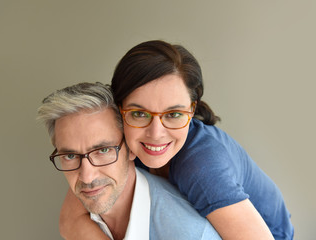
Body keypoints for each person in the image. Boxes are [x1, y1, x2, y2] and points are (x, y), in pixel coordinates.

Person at [60, 40, 294, 240]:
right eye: (139, 113)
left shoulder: (202, 169)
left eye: (173, 114)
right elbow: (70, 220)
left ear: (192, 111)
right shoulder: (118, 140)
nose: (156, 133)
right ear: (119, 111)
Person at [37, 82, 221, 240]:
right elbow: (69, 220)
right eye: (70, 156)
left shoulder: (189, 234)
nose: (87, 176)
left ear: (131, 149)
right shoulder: (81, 215)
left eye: (103, 150)